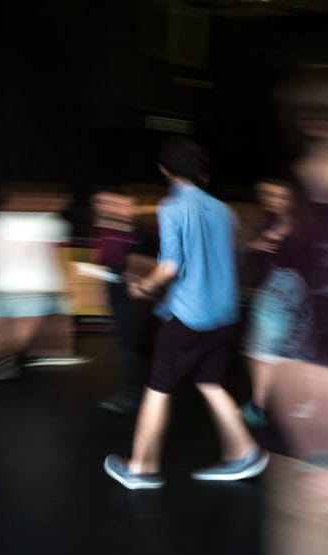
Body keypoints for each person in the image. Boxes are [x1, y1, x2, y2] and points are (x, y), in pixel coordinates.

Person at [102, 137, 268, 490]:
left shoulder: (172, 207)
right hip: (224, 315)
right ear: (202, 172)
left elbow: (170, 267)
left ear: (165, 169)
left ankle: (141, 467)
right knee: (210, 383)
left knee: (158, 388)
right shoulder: (225, 211)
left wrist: (143, 287)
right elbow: (233, 261)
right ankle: (245, 453)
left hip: (188, 315)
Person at [0, 188, 77, 382]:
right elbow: (53, 256)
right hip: (32, 287)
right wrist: (63, 283)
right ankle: (7, 362)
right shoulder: (50, 223)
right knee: (23, 329)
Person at [239, 179, 316, 426]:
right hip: (278, 291)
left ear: (292, 198)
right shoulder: (270, 222)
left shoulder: (304, 226)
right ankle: (268, 405)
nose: (274, 201)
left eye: (280, 196)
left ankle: (270, 405)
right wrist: (255, 246)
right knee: (278, 350)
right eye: (269, 195)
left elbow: (310, 260)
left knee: (268, 350)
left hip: (288, 292)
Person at [90, 190, 152, 414]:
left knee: (130, 345)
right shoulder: (108, 232)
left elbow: (144, 267)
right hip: (119, 292)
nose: (104, 207)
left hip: (134, 296)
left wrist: (135, 283)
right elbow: (109, 262)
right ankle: (137, 393)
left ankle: (132, 395)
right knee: (129, 344)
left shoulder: (139, 235)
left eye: (112, 203)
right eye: (102, 203)